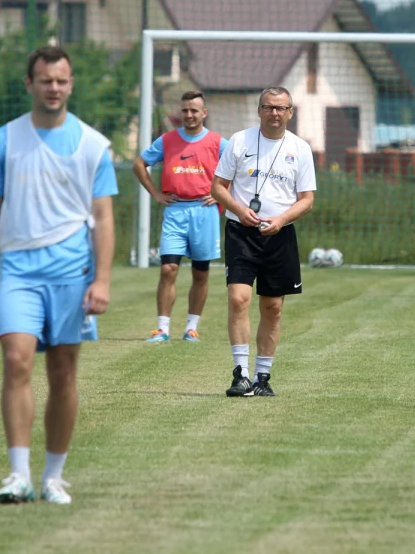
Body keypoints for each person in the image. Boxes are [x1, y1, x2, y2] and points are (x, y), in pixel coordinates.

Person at [0, 46, 117, 505]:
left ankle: (54, 476)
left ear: (71, 84)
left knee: (63, 371)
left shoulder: (94, 145)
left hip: (73, 273)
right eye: (45, 80)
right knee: (16, 360)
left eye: (61, 80)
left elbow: (104, 217)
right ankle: (19, 475)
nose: (54, 88)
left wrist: (104, 280)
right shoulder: (4, 141)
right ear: (29, 84)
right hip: (18, 270)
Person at [210, 87, 316, 398]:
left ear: (290, 113)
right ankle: (240, 374)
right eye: (269, 107)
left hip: (280, 235)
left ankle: (262, 377)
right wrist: (240, 210)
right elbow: (218, 187)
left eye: (281, 108)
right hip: (241, 232)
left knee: (273, 308)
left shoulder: (301, 148)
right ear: (259, 110)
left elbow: (307, 200)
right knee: (238, 299)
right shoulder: (240, 141)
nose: (274, 113)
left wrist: (281, 220)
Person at [133, 91, 227, 343]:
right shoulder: (167, 140)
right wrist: (155, 193)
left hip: (204, 212)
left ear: (204, 113)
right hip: (175, 211)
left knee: (200, 274)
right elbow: (139, 164)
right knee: (168, 269)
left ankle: (191, 328)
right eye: (185, 110)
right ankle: (162, 329)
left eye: (194, 110)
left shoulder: (219, 142)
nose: (189, 115)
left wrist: (221, 195)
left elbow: (239, 169)